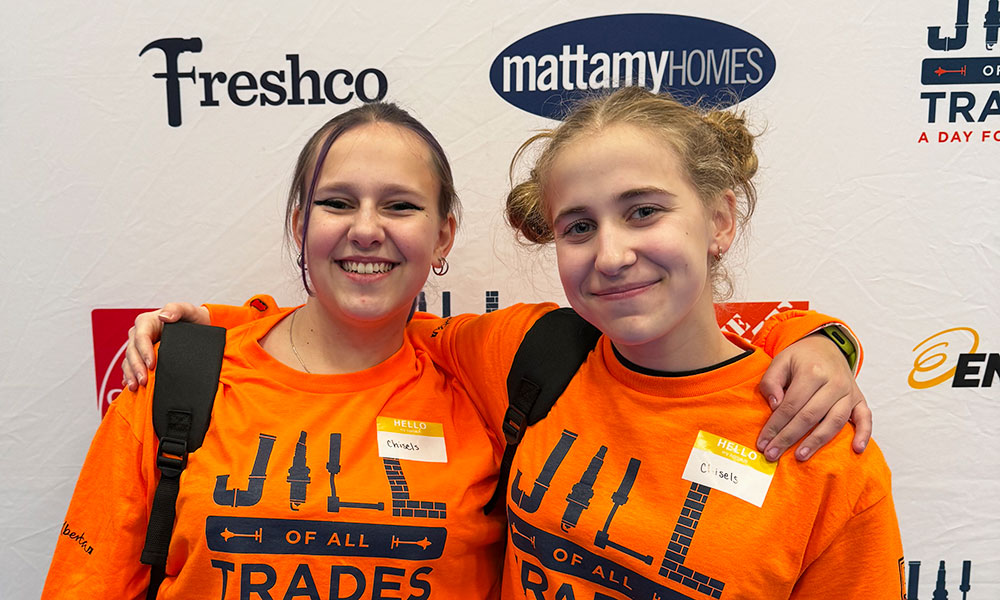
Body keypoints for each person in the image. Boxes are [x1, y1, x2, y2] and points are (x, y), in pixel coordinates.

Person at [51, 98, 871, 600]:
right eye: (337, 202)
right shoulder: (182, 380)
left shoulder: (497, 366)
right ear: (300, 225)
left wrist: (822, 339)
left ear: (444, 235)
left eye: (400, 204)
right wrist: (206, 333)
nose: (611, 252)